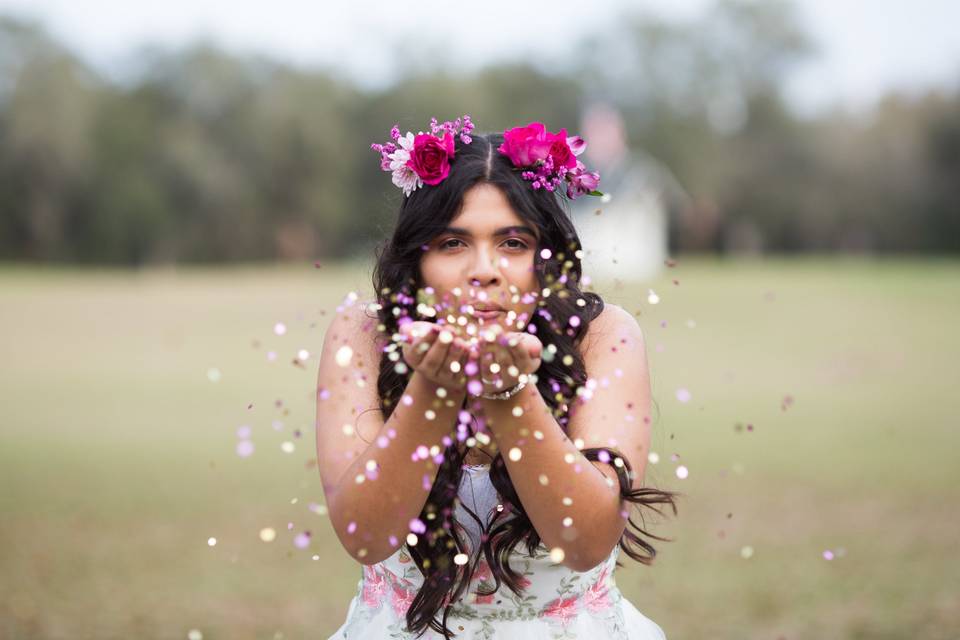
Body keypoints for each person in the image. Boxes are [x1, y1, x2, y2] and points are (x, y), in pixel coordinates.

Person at [316, 115, 680, 639]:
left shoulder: (602, 337)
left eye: (512, 244)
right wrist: (433, 389)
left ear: (545, 257)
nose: (483, 269)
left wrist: (510, 394)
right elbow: (366, 535)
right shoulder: (364, 335)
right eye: (451, 243)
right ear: (416, 260)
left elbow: (583, 543)